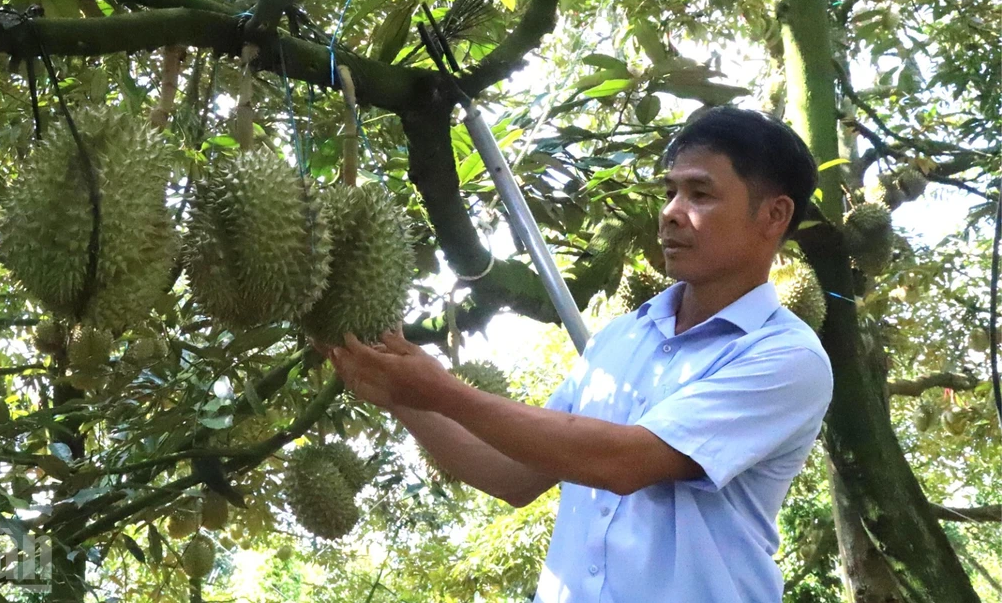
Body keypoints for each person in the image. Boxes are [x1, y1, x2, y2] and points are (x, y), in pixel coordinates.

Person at [324, 107, 834, 603]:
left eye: (700, 193)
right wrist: (400, 395)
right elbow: (512, 476)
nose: (672, 211)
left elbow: (624, 461)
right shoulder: (621, 338)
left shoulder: (786, 356)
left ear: (774, 214)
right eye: (670, 191)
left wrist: (440, 390)